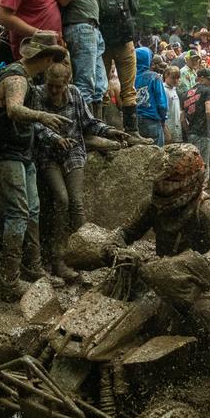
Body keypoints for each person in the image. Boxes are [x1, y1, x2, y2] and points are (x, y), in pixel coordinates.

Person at [108, 143, 210, 339]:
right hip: (159, 273)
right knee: (113, 295)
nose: (162, 188)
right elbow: (126, 231)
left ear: (190, 181)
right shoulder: (152, 204)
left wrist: (196, 264)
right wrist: (113, 246)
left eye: (169, 182)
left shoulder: (206, 207)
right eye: (160, 182)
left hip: (200, 282)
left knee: (207, 317)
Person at [0, 31, 72, 300]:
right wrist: (43, 116)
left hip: (21, 151)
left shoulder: (24, 75)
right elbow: (13, 109)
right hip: (4, 154)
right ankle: (9, 281)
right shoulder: (17, 78)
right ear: (44, 58)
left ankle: (32, 267)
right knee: (19, 213)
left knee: (32, 210)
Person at [34, 62, 129, 283]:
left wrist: (110, 131)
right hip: (48, 154)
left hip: (73, 152)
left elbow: (88, 122)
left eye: (59, 86)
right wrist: (55, 138)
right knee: (61, 199)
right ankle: (57, 259)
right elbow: (36, 126)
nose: (55, 91)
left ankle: (87, 255)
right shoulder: (38, 94)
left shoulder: (75, 94)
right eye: (51, 86)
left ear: (67, 83)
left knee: (76, 202)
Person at [52, 0, 108, 112]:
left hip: (93, 27)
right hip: (78, 25)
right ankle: (84, 130)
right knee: (85, 82)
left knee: (99, 85)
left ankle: (98, 127)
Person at [97, 0, 142, 136]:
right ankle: (132, 131)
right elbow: (135, 9)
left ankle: (103, 129)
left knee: (102, 87)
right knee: (128, 88)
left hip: (104, 44)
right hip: (124, 42)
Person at [182, 67, 210, 177]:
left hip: (191, 133)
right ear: (200, 78)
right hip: (202, 133)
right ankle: (201, 191)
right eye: (209, 79)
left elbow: (182, 118)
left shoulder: (186, 94)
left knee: (193, 165)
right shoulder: (207, 90)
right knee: (203, 166)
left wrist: (189, 131)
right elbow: (209, 111)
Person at [133, 46, 169, 146]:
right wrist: (163, 119)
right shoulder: (154, 77)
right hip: (152, 121)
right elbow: (162, 104)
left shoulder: (130, 78)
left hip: (135, 123)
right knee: (156, 155)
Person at [164, 65, 183, 144]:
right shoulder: (164, 90)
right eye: (173, 78)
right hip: (168, 128)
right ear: (166, 76)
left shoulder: (174, 89)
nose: (175, 80)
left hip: (176, 127)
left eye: (177, 78)